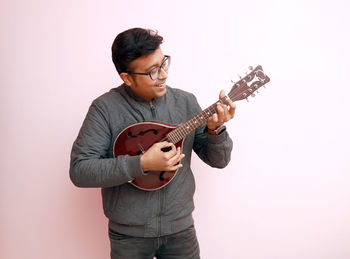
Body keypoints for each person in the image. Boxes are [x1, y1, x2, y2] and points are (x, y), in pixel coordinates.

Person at [70, 27, 236, 259]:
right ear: (127, 78)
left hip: (181, 231)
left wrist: (215, 130)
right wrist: (142, 163)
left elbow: (219, 161)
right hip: (129, 237)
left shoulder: (186, 103)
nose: (163, 75)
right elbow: (80, 171)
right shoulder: (104, 109)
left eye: (163, 64)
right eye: (152, 71)